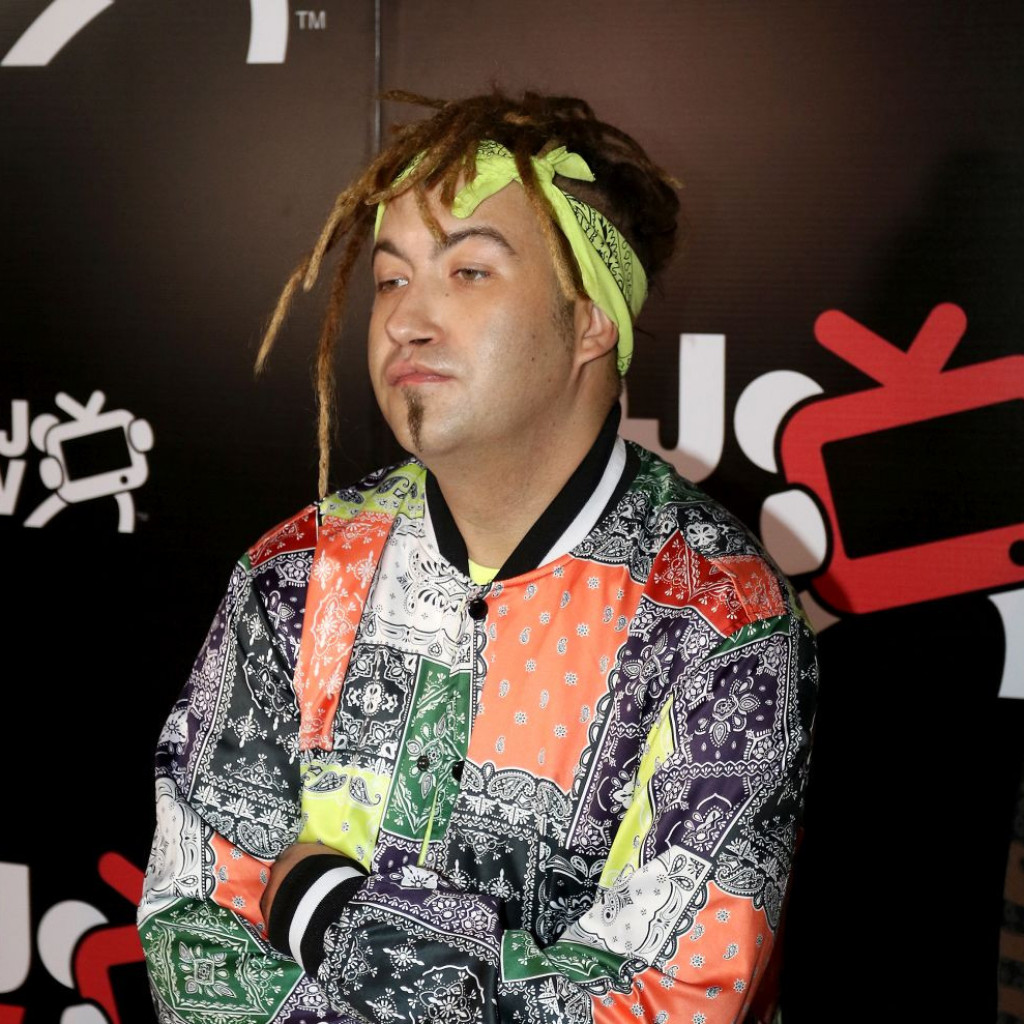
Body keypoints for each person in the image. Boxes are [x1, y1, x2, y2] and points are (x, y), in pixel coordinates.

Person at [138, 89, 817, 1024]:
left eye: (468, 271)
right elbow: (193, 934)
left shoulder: (722, 621)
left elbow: (665, 1002)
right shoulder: (298, 571)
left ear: (591, 319)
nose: (405, 320)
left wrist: (324, 909)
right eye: (390, 280)